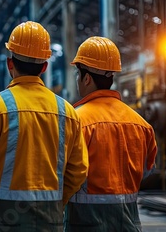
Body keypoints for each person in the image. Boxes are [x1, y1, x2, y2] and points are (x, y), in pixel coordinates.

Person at [0, 21, 89, 231]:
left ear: (10, 64)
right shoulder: (67, 112)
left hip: (2, 219)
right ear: (44, 67)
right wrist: (55, 200)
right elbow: (78, 170)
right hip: (50, 219)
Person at [65, 36, 157, 231]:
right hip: (129, 224)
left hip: (84, 224)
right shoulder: (141, 124)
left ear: (86, 78)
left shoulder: (76, 121)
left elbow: (64, 173)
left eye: (77, 74)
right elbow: (147, 170)